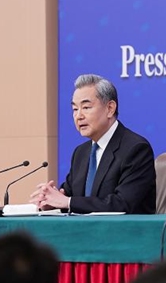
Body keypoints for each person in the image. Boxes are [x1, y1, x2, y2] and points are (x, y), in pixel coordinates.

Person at [30, 74, 156, 214]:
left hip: (124, 233)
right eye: (75, 109)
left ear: (110, 108)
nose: (79, 116)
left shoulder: (135, 149)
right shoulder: (81, 153)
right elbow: (69, 196)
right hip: (83, 233)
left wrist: (67, 202)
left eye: (86, 107)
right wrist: (51, 201)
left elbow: (122, 204)